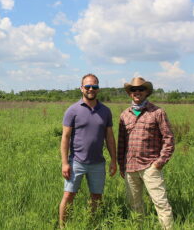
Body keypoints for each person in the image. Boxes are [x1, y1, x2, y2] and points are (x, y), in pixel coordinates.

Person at [59, 73, 117, 227]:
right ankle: (63, 226)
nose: (91, 89)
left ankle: (92, 224)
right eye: (88, 86)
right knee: (69, 195)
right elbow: (65, 138)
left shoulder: (105, 111)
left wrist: (113, 160)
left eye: (95, 86)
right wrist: (65, 163)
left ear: (98, 89)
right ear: (81, 88)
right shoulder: (73, 110)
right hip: (76, 161)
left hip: (98, 163)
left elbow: (110, 138)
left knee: (97, 196)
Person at [118, 77, 174, 230]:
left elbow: (168, 138)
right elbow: (121, 143)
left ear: (147, 92)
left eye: (140, 89)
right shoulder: (124, 115)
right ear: (130, 94)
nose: (137, 92)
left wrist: (159, 162)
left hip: (151, 166)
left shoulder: (157, 112)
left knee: (161, 203)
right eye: (134, 90)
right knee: (134, 205)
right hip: (130, 167)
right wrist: (121, 165)